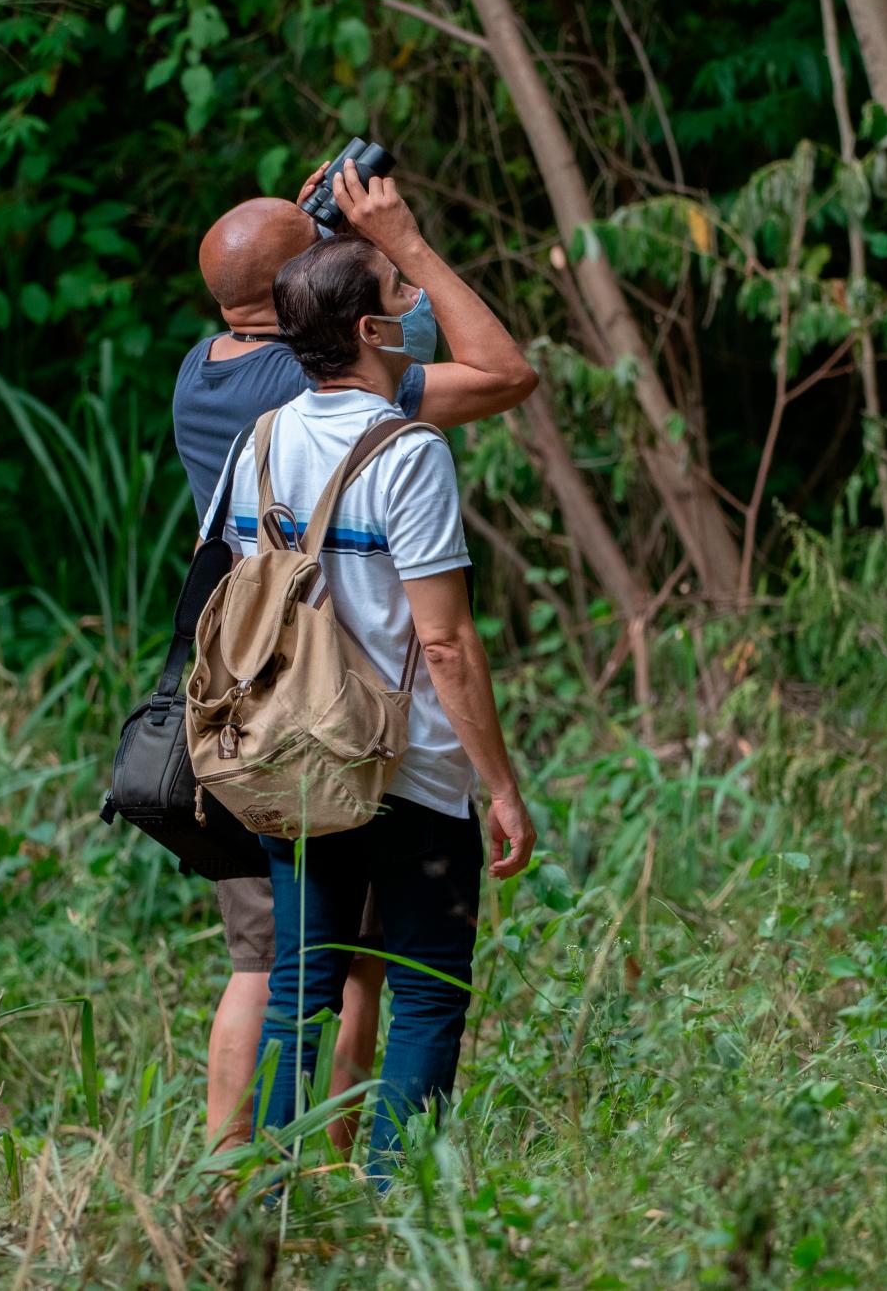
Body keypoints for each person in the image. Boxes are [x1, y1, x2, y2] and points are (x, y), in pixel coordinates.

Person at [175, 161, 535, 1153]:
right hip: (410, 767)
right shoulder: (405, 449)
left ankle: (272, 1202)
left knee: (298, 987)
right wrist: (497, 784)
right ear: (368, 330)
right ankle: (395, 1201)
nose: (406, 296)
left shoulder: (253, 433)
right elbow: (445, 641)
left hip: (294, 756)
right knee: (424, 992)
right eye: (391, 293)